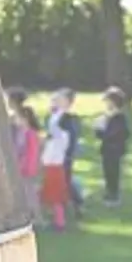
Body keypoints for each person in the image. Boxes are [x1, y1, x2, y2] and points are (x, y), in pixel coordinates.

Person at [94, 87, 131, 207]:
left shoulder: (119, 117)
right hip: (107, 149)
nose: (106, 104)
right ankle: (109, 192)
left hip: (115, 150)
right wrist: (98, 128)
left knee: (113, 172)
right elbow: (102, 135)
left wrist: (103, 130)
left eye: (108, 101)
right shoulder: (108, 116)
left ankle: (114, 195)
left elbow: (117, 134)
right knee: (107, 172)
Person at [39, 103, 73, 231]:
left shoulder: (62, 136)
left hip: (54, 169)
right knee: (49, 197)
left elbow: (53, 125)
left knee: (55, 198)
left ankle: (59, 222)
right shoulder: (55, 136)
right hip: (50, 168)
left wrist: (58, 111)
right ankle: (52, 219)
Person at [52, 89, 85, 217]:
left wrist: (67, 153)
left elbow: (71, 139)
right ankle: (66, 206)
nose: (55, 102)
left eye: (59, 99)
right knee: (63, 180)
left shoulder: (69, 119)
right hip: (56, 154)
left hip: (64, 155)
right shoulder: (56, 116)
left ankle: (77, 204)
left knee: (65, 180)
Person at [17, 104, 44, 221]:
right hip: (21, 167)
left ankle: (37, 217)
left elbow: (32, 153)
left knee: (30, 194)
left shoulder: (30, 134)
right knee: (25, 193)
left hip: (27, 168)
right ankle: (30, 216)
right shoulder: (22, 132)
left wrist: (28, 168)